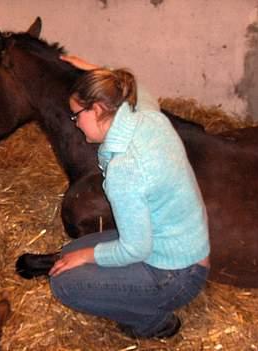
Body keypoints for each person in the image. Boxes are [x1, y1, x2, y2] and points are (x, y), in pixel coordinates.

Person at [47, 55, 211, 339]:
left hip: (177, 275)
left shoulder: (126, 168)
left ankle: (152, 322)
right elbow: (142, 90)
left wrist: (89, 256)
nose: (75, 123)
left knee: (65, 283)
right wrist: (99, 71)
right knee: (67, 255)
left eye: (77, 115)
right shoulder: (144, 115)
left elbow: (136, 249)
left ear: (98, 109)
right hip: (184, 248)